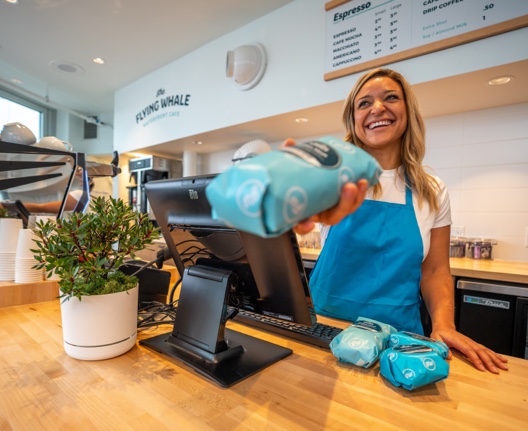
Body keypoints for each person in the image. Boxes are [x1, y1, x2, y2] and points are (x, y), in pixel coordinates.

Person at [289, 68, 508, 374]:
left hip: (399, 342)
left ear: (408, 112)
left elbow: (434, 271)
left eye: (390, 97)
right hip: (325, 331)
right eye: (364, 103)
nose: (377, 108)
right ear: (354, 119)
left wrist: (444, 325)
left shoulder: (431, 190)